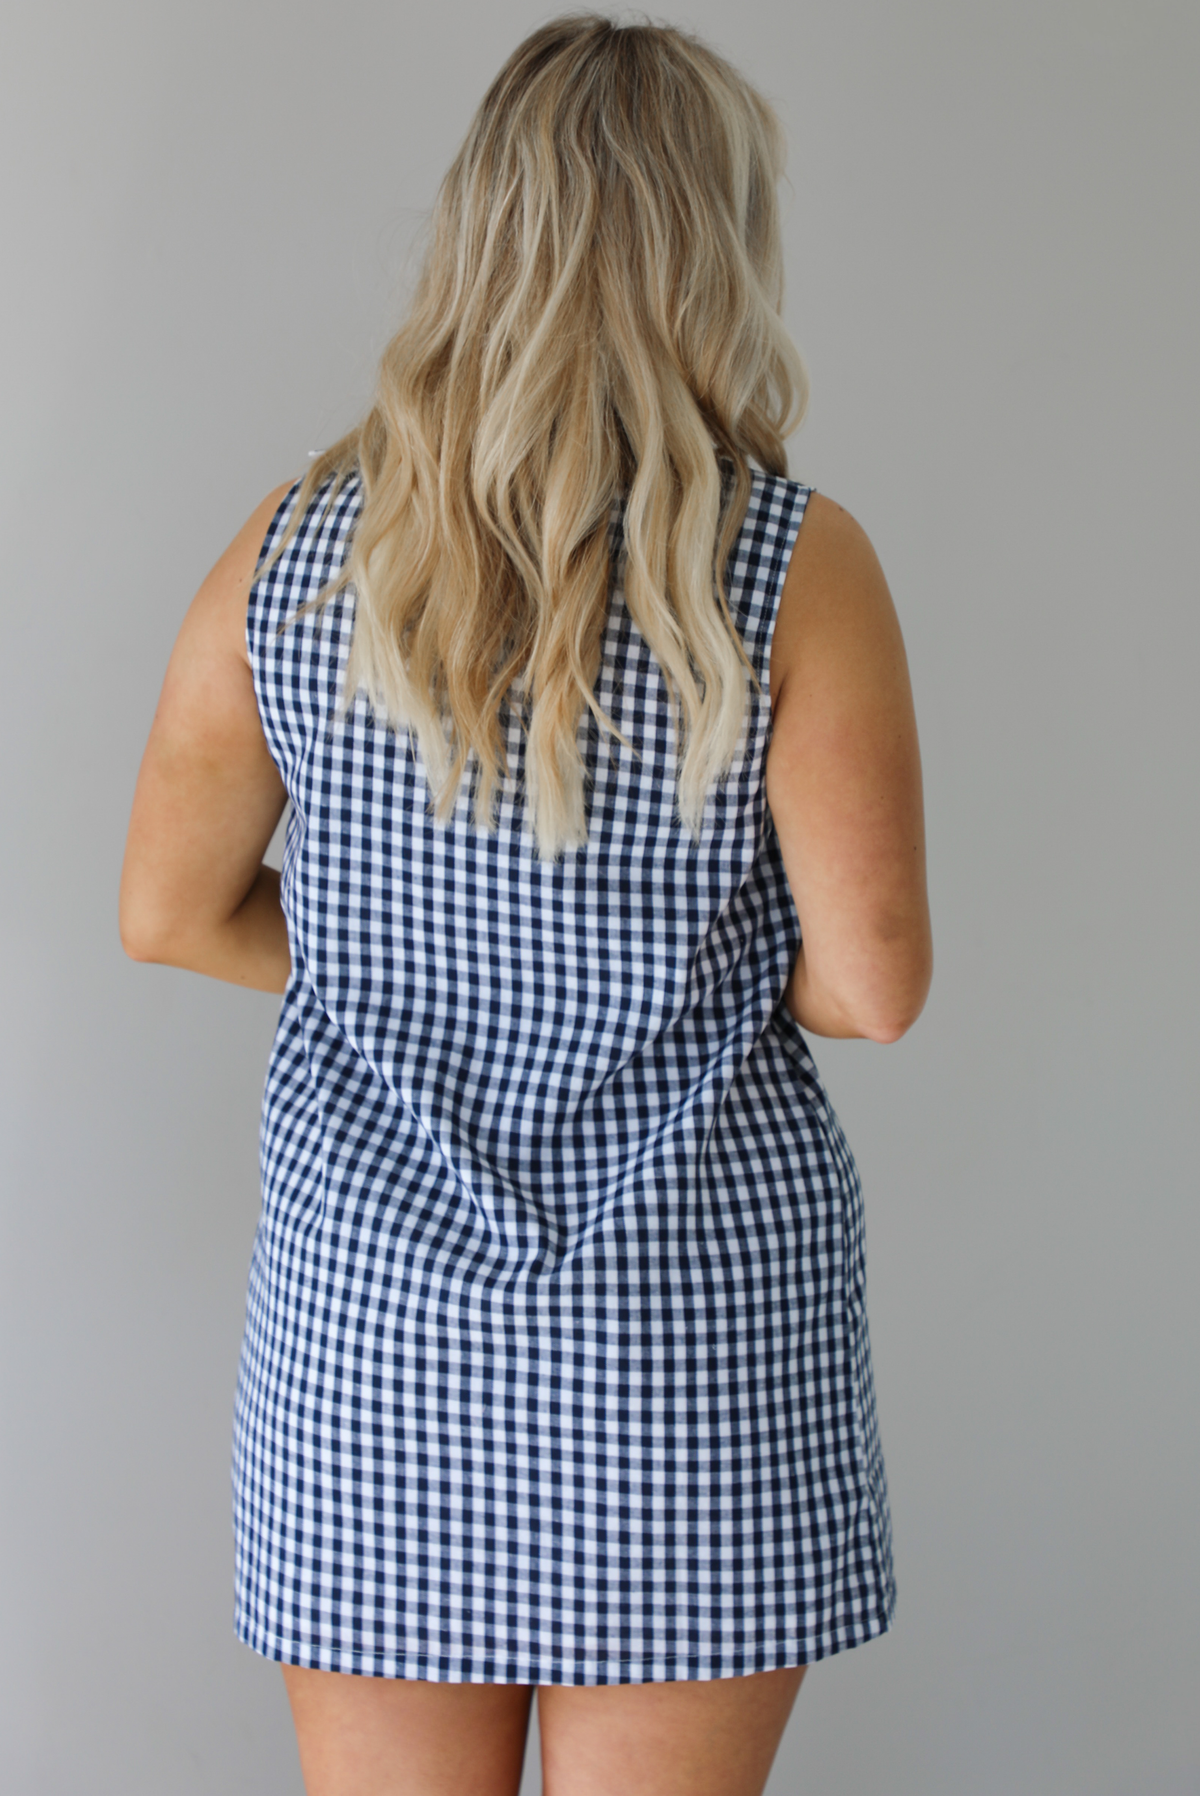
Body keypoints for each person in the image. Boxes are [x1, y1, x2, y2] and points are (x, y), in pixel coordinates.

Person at [119, 13, 932, 1794]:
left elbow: (168, 910)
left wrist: (383, 959)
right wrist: (668, 959)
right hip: (685, 1335)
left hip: (376, 1332)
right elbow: (870, 987)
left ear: (475, 229)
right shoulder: (792, 564)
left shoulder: (298, 548)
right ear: (714, 248)